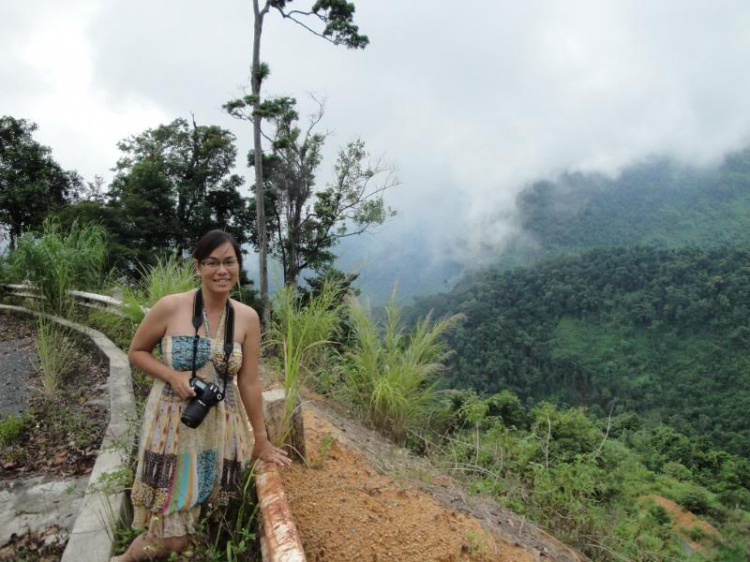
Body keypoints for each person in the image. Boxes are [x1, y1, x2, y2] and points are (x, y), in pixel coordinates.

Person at [113, 230, 290, 562]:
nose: (221, 270)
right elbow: (136, 352)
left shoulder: (247, 318)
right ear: (198, 267)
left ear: (238, 265)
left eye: (229, 262)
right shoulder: (171, 306)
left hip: (220, 428)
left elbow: (249, 383)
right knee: (172, 534)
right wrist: (172, 375)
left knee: (201, 523)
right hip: (172, 427)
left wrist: (261, 440)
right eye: (212, 263)